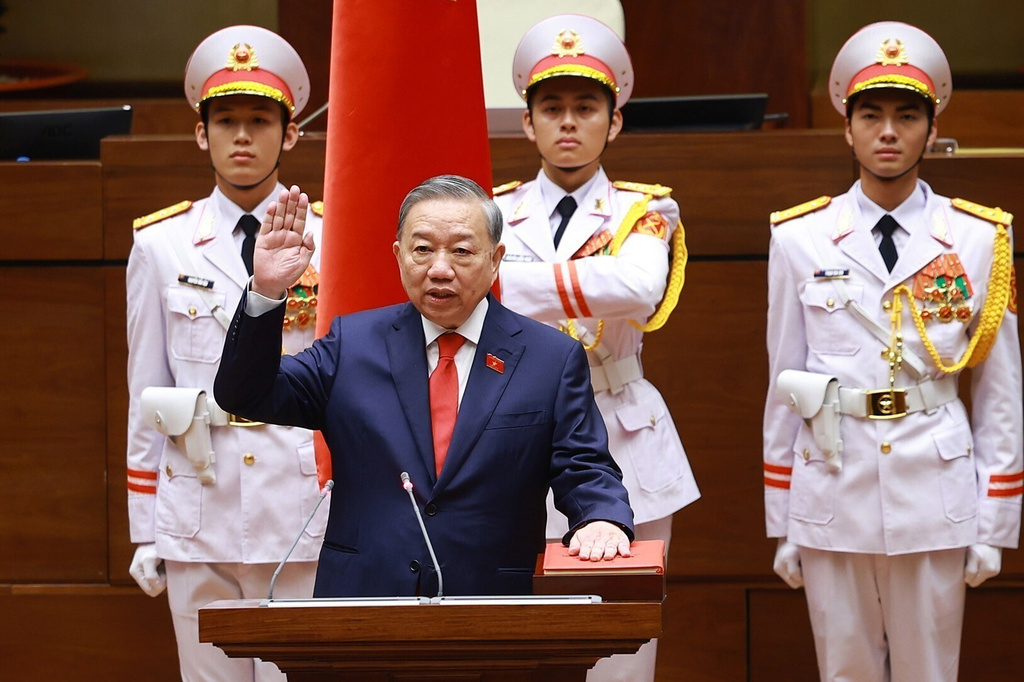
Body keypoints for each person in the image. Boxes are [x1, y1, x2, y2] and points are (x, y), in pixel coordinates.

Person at [213, 175, 636, 598]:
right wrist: (266, 292)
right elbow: (246, 395)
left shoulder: (551, 358)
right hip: (363, 606)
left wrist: (601, 517)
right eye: (422, 250)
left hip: (494, 607)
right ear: (399, 256)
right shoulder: (353, 345)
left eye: (462, 251)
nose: (439, 269)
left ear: (495, 258)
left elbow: (584, 465)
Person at [763, 21, 1022, 681]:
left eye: (907, 116)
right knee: (843, 670)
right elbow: (785, 382)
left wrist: (994, 520)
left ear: (931, 131)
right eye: (870, 114)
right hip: (832, 479)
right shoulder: (801, 238)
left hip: (933, 486)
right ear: (846, 128)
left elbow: (999, 394)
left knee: (928, 671)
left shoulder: (977, 238)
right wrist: (784, 516)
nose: (887, 131)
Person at [491, 14, 699, 681]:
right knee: (524, 651)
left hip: (622, 432)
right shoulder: (491, 213)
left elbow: (637, 288)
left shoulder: (645, 211)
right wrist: (588, 283)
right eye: (552, 108)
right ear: (528, 123)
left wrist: (504, 279)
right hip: (512, 435)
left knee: (621, 658)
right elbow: (468, 294)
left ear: (614, 122)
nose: (569, 122)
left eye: (587, 107)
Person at [125, 25, 327, 682]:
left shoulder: (329, 237)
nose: (242, 136)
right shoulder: (163, 246)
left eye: (260, 120)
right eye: (226, 119)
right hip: (197, 502)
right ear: (200, 133)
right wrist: (145, 526)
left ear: (289, 134)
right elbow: (146, 391)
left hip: (296, 504)